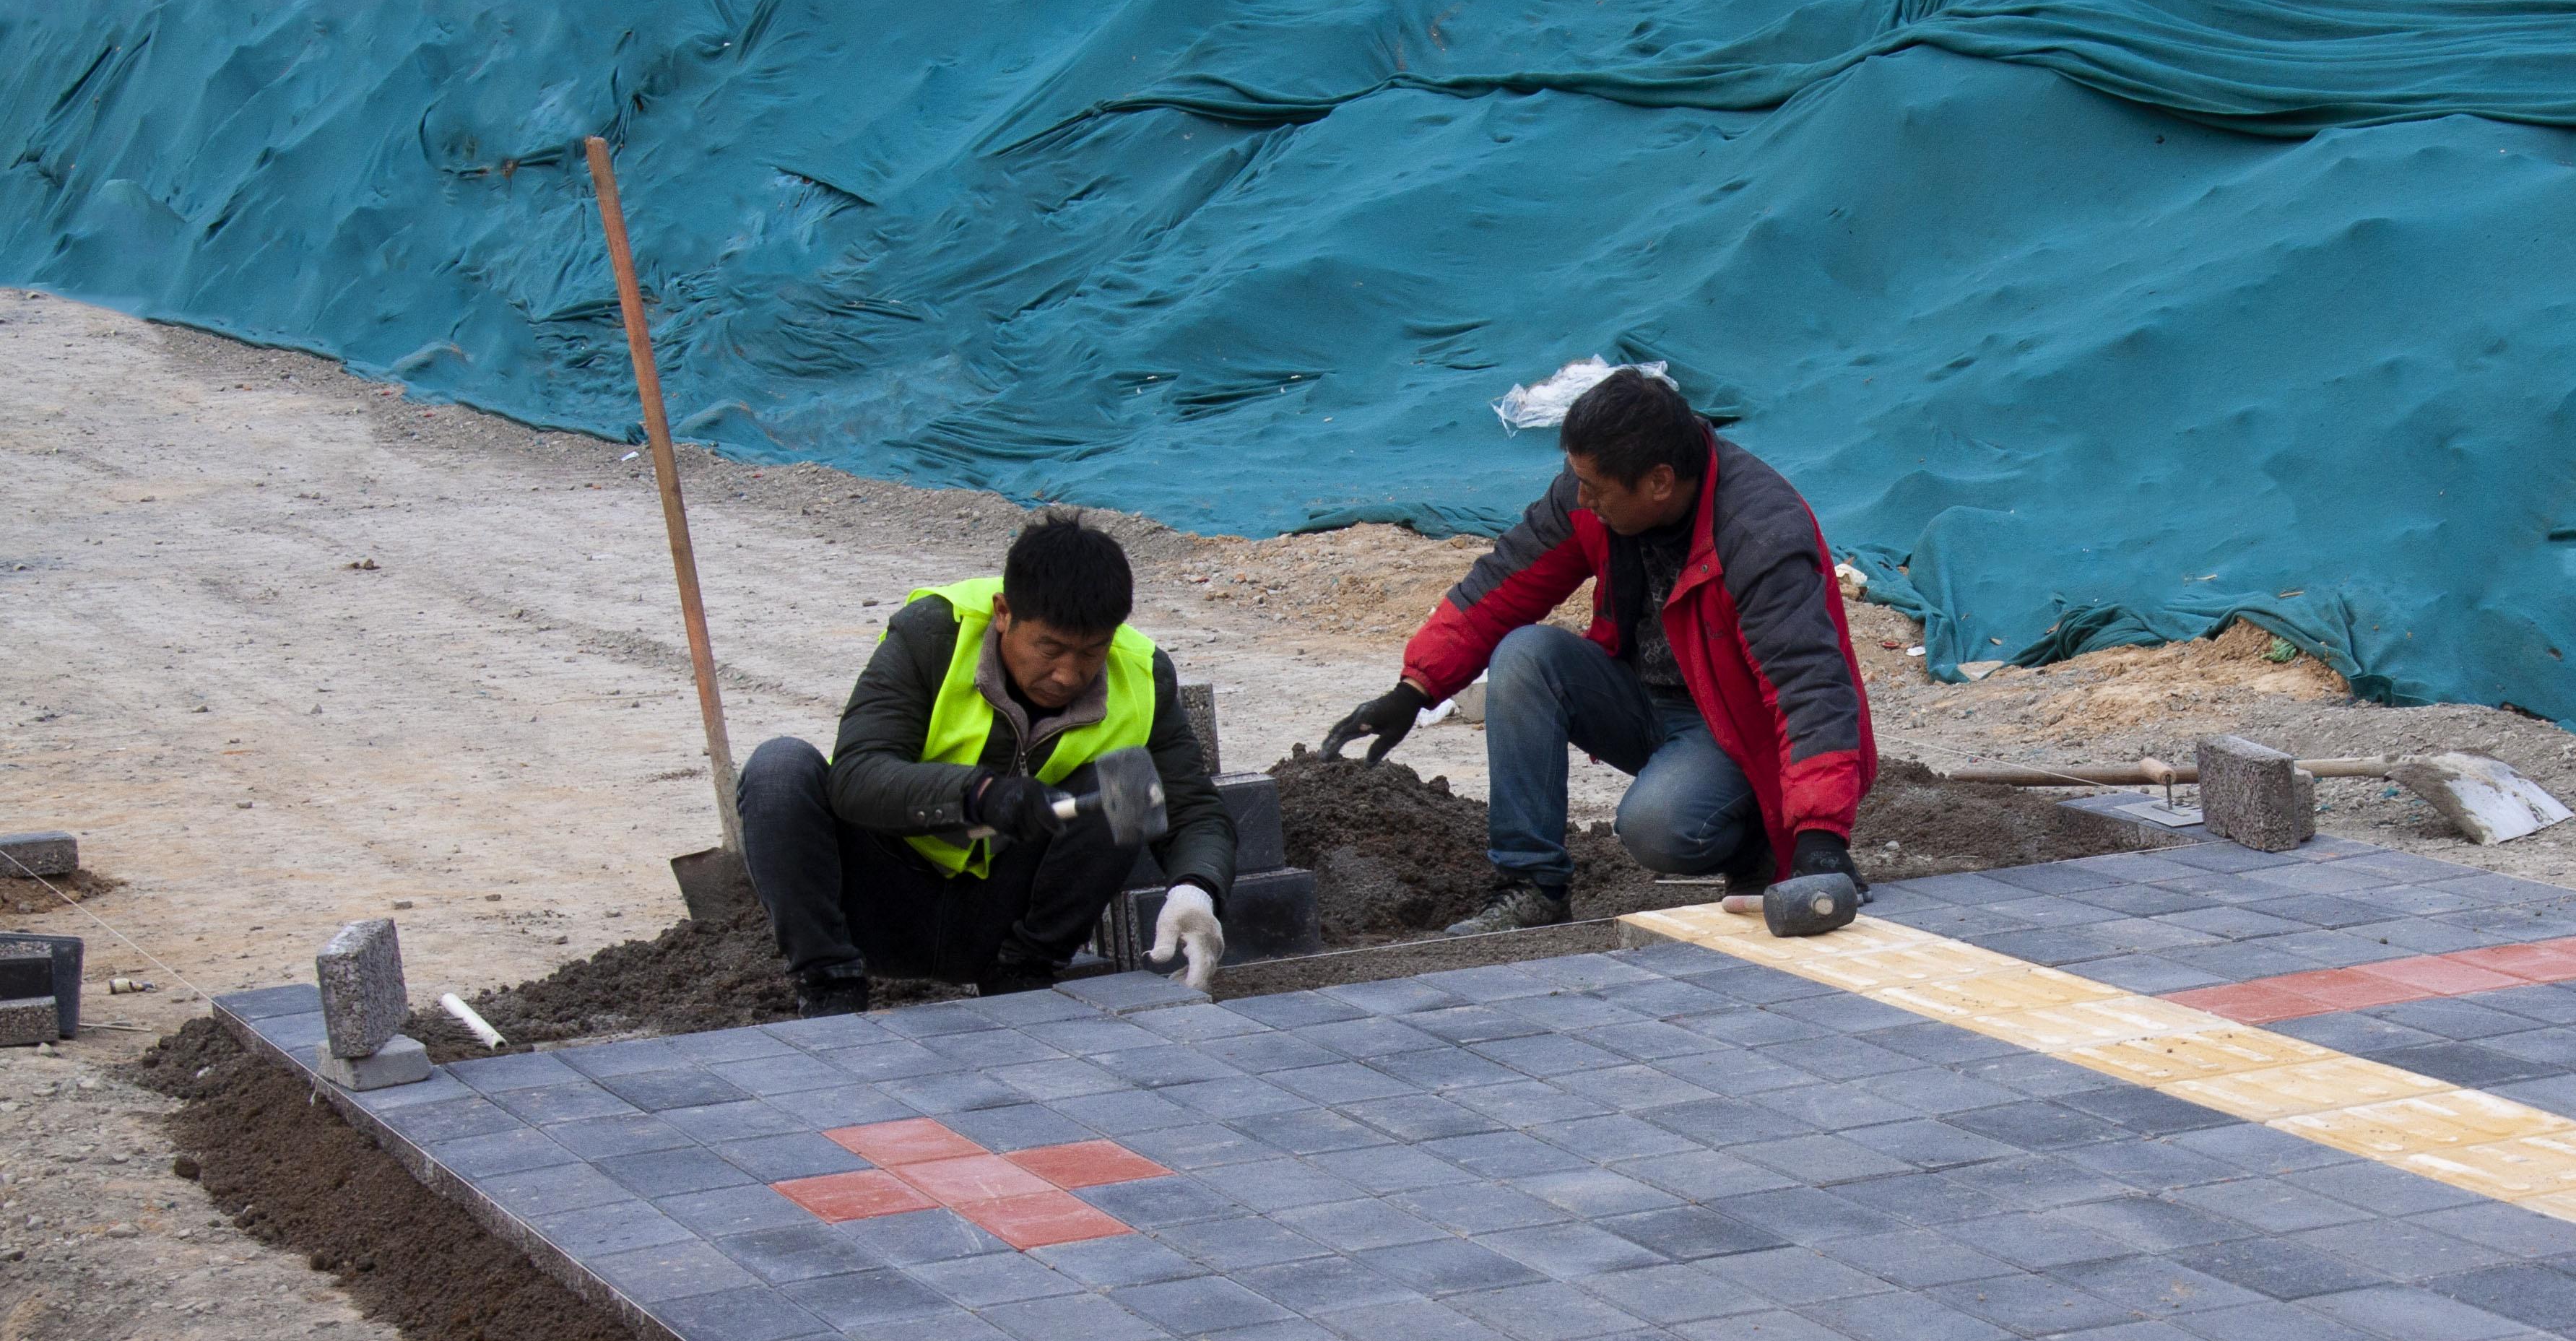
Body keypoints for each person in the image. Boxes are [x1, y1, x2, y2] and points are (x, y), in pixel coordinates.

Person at [1320, 368, 1876, 932]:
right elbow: (1504, 582)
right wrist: (1414, 689)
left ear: (1659, 482)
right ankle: (1531, 887)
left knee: (1656, 826)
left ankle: (1757, 845)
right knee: (1524, 656)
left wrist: (1820, 841)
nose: (1580, 497)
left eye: (1595, 487)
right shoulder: (1594, 495)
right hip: (1645, 700)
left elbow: (1810, 688)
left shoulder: (1758, 533)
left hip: (1739, 727)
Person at [738, 513, 1234, 1016]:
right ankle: (830, 988)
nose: (1067, 674)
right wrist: (978, 794)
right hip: (881, 901)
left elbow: (1194, 810)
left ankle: (1022, 976)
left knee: (1120, 786)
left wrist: (1196, 890)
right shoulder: (933, 635)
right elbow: (856, 777)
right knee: (778, 770)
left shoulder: (1145, 675)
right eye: (1050, 648)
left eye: (1092, 651)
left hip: (997, 918)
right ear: (1003, 612)